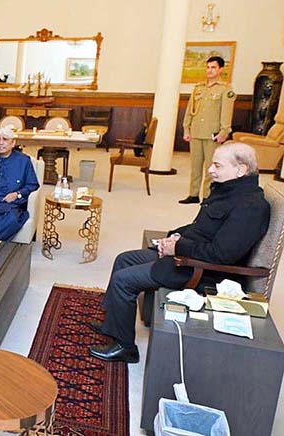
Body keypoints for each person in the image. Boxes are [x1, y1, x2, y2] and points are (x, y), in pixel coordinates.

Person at [89, 142, 270, 363]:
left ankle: (125, 348)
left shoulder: (250, 206)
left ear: (240, 170)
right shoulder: (228, 192)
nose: (210, 170)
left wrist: (178, 247)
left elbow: (222, 255)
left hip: (203, 271)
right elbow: (200, 228)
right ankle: (113, 325)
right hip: (187, 257)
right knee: (124, 259)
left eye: (217, 165)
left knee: (123, 280)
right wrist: (173, 237)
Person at [180, 55, 236, 204]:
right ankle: (193, 194)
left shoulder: (226, 90)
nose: (209, 71)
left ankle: (207, 196)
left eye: (213, 67)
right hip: (196, 133)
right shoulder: (198, 88)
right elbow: (190, 110)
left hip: (213, 135)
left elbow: (226, 113)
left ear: (221, 69)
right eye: (208, 67)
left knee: (211, 168)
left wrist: (224, 132)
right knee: (195, 166)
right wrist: (186, 128)